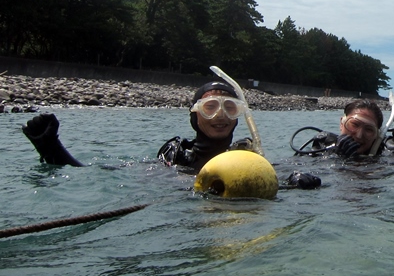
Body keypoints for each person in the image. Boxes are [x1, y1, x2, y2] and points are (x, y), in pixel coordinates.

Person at [22, 80, 320, 189]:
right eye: (210, 107)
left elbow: (283, 182)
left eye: (230, 107)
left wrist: (298, 183)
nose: (219, 115)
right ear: (194, 114)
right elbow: (98, 175)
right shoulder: (174, 158)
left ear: (239, 116)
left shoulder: (251, 158)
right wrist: (53, 150)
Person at [295, 99, 385, 158]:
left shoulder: (384, 160)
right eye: (354, 124)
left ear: (376, 136)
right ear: (342, 124)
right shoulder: (318, 154)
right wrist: (337, 157)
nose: (359, 135)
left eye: (369, 130)